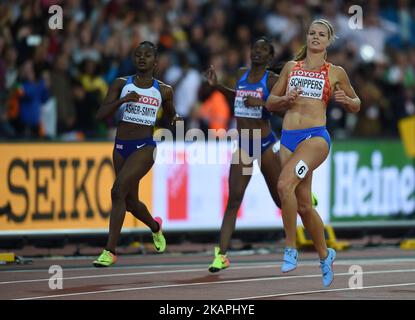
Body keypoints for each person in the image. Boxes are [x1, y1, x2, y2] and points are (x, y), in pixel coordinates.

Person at [205, 37, 318, 273]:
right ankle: (222, 255)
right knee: (234, 200)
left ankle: (302, 193)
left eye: (263, 50)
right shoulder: (241, 74)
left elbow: (286, 107)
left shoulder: (272, 79)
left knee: (281, 199)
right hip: (244, 145)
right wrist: (218, 87)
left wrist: (263, 102)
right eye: (254, 48)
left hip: (265, 144)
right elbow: (236, 97)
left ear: (269, 57)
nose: (257, 52)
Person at [265, 19, 360, 287]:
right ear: (306, 38)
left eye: (321, 35)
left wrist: (348, 101)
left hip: (315, 139)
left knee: (284, 185)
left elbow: (357, 102)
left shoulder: (335, 72)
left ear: (329, 41)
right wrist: (284, 100)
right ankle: (324, 254)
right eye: (312, 33)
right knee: (304, 205)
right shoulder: (290, 67)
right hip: (288, 140)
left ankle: (290, 249)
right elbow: (271, 101)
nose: (316, 37)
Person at [93, 41, 180, 267]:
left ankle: (109, 250)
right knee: (130, 202)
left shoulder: (164, 90)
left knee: (117, 190)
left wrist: (177, 120)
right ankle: (155, 226)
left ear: (155, 61)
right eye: (138, 55)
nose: (142, 58)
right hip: (121, 146)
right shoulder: (121, 83)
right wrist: (122, 100)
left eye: (147, 55)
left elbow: (171, 116)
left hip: (145, 147)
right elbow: (100, 115)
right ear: (134, 59)